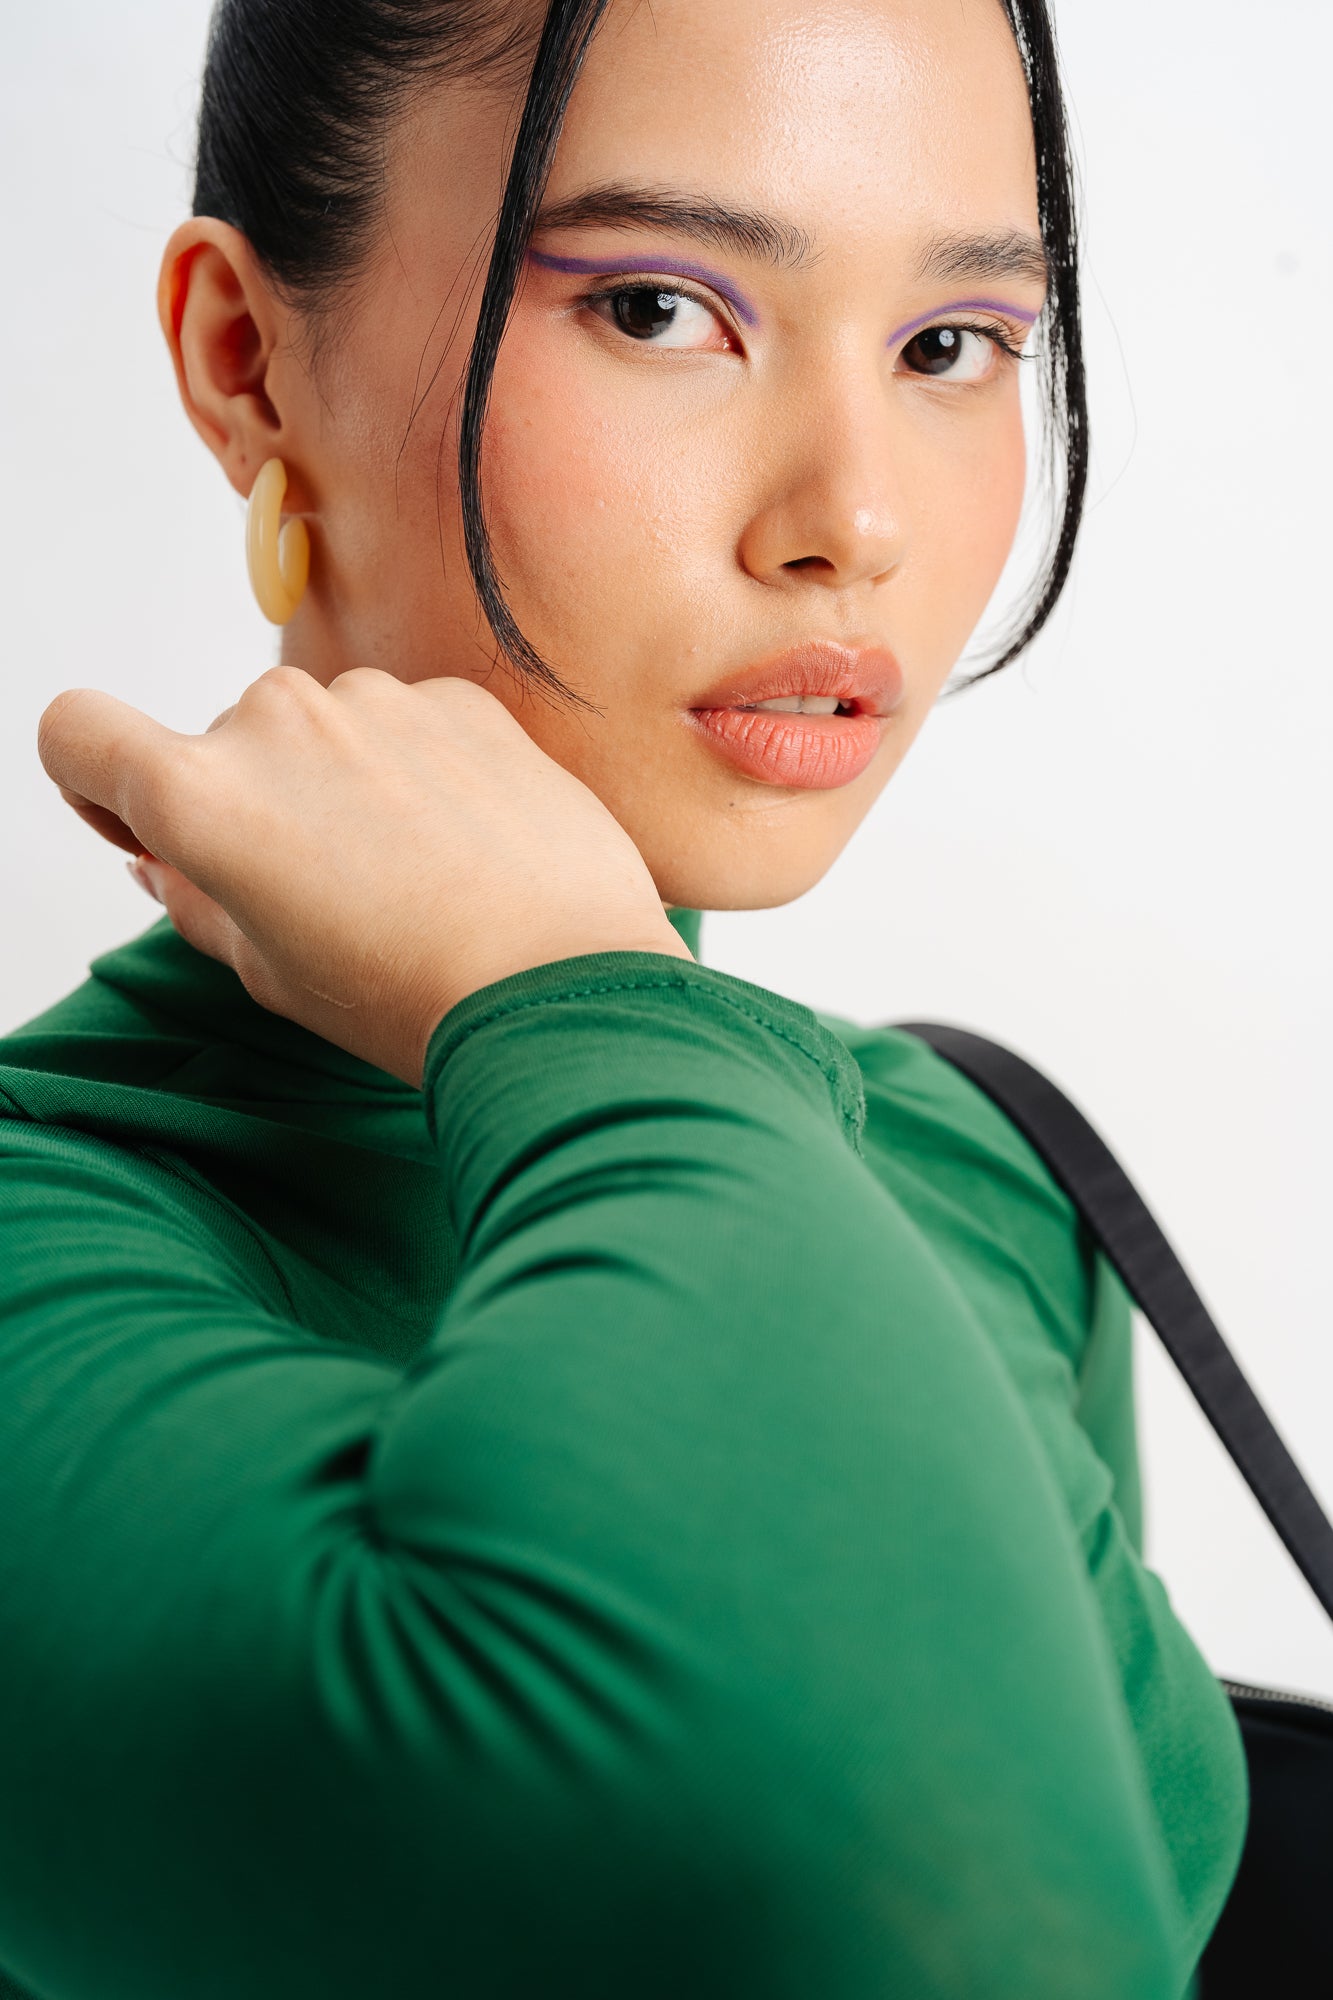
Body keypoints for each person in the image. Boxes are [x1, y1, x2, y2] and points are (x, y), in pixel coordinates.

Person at [0, 1, 1247, 1995]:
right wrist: (557, 991)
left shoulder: (970, 1170)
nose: (855, 519)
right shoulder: (45, 1248)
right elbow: (891, 1907)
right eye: (663, 309)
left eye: (953, 346)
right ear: (247, 361)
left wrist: (580, 1015)